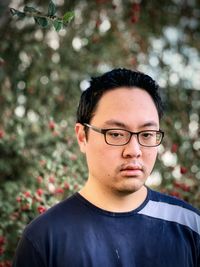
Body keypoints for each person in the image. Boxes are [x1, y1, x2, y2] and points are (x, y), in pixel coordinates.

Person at [13, 68, 200, 267]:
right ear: (82, 136)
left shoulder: (190, 227)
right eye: (116, 134)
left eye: (146, 134)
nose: (134, 150)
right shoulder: (45, 239)